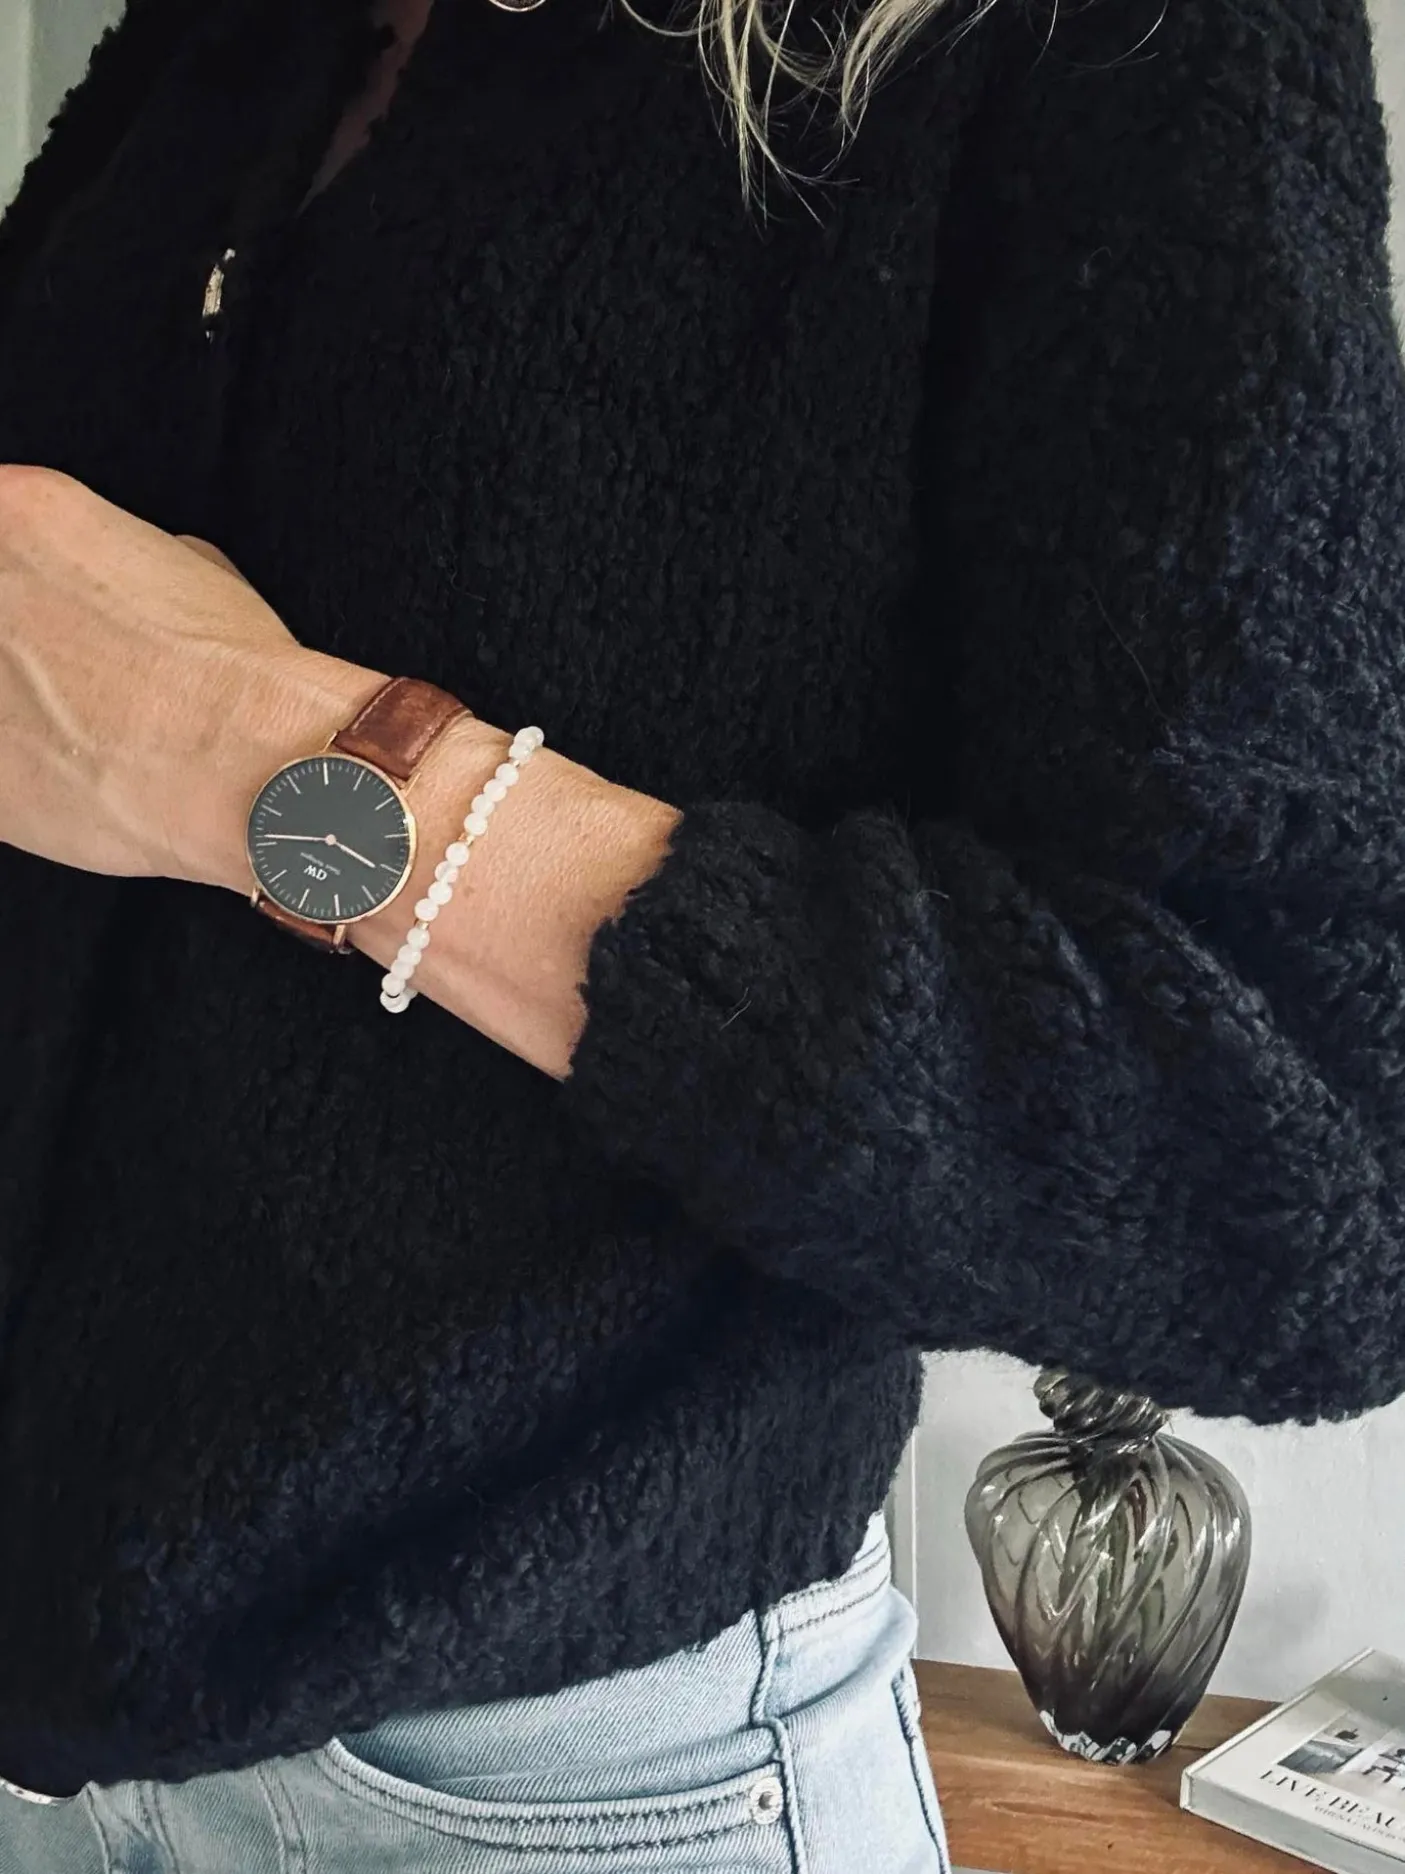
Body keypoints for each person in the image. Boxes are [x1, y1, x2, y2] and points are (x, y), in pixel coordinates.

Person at [0, 0, 1403, 1864]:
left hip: (553, 1789)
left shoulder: (1120, 44)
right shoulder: (227, 39)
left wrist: (268, 765)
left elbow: (1307, 1161)